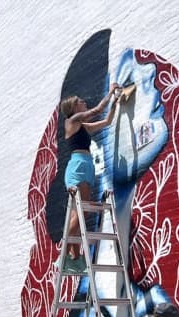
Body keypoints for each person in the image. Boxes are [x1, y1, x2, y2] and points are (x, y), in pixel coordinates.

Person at [58, 82, 121, 273]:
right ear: (73, 108)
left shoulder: (82, 126)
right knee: (82, 214)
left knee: (82, 214)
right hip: (77, 166)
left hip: (86, 166)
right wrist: (111, 92)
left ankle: (74, 258)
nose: (83, 102)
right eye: (79, 101)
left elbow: (106, 121)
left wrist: (116, 102)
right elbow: (97, 110)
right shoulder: (72, 120)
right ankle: (63, 253)